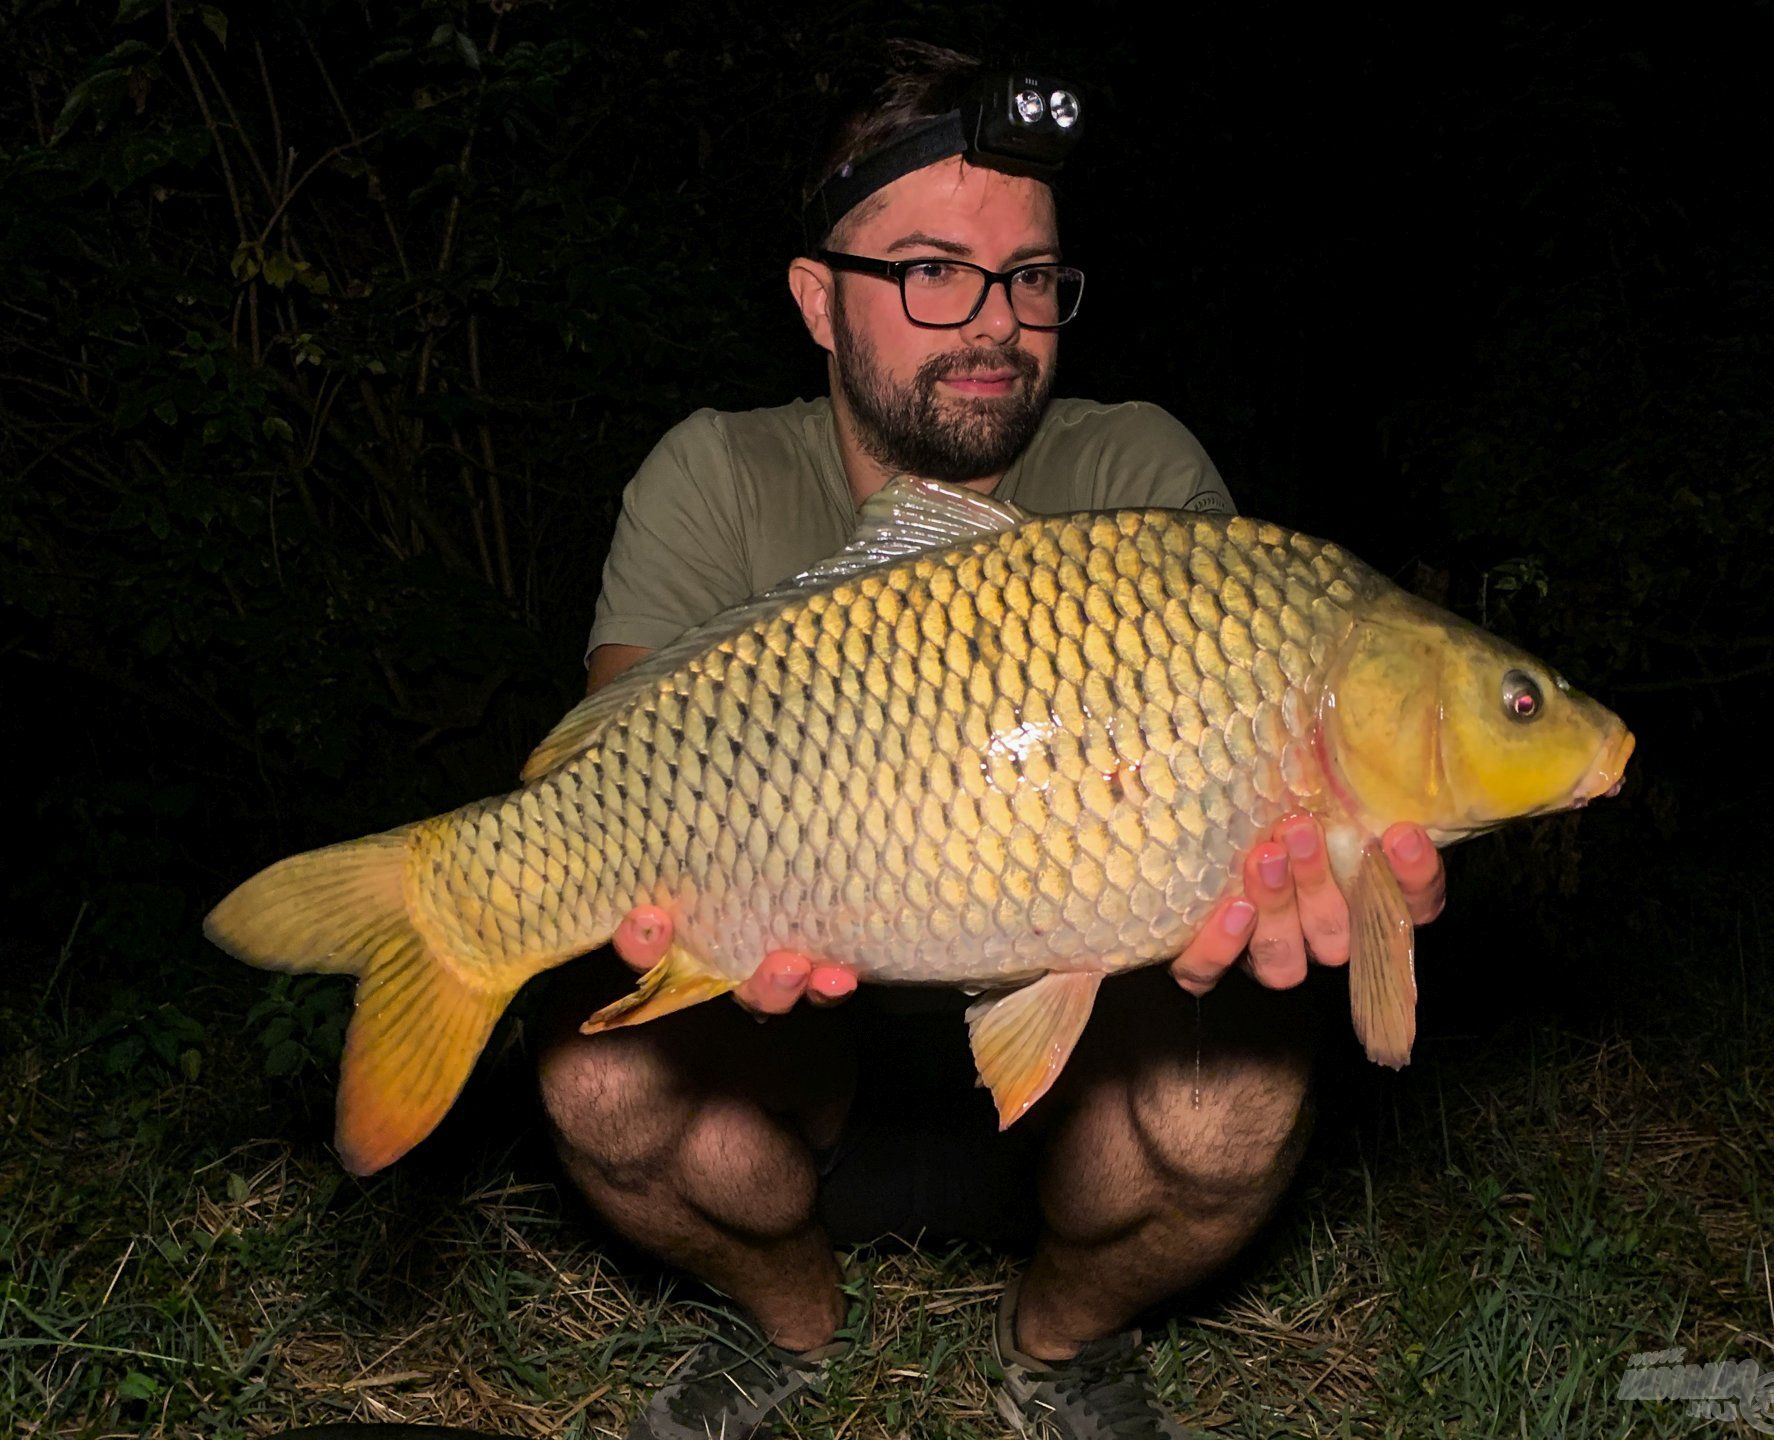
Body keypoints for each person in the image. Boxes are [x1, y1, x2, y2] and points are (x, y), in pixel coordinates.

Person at [535, 44, 1444, 1440]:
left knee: (1238, 1104)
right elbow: (616, 768)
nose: (998, 322)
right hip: (789, 1082)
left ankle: (1059, 1343)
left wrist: (1338, 865)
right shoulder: (714, 474)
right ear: (817, 300)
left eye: (1031, 278)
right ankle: (790, 1323)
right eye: (932, 271)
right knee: (596, 1081)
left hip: (1072, 1106)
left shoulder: (1136, 475)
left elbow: (1264, 822)